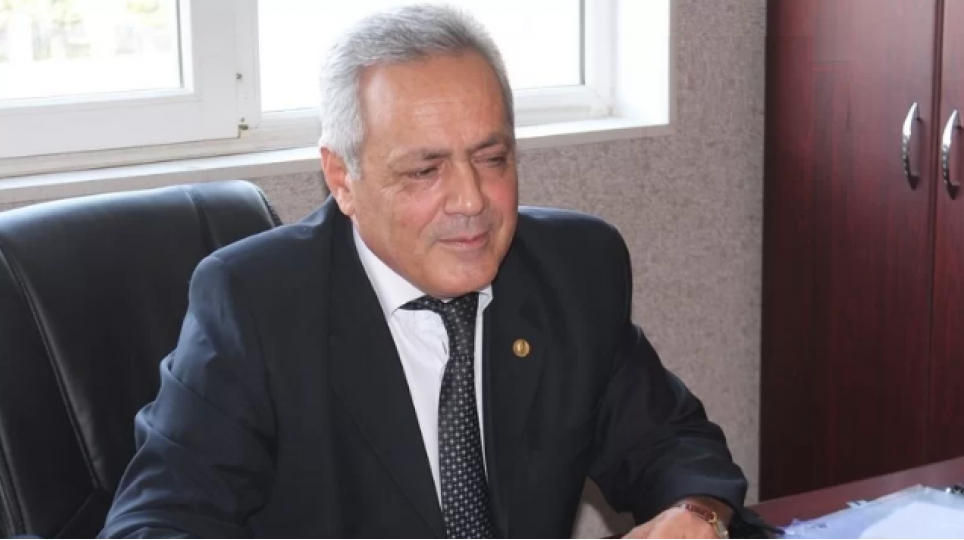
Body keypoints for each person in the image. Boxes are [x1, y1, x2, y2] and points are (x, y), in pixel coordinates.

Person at [101, 4, 753, 538]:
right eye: (424, 170)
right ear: (342, 177)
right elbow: (158, 523)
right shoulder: (255, 305)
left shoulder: (574, 270)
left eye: (491, 159)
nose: (470, 201)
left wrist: (694, 513)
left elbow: (672, 443)